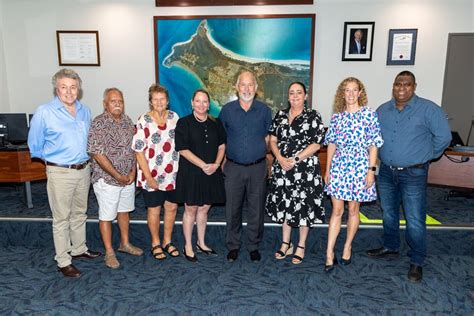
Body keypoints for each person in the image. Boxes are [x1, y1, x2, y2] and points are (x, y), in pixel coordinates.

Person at [366, 71, 451, 282]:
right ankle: (391, 246)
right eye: (397, 83)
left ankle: (416, 261)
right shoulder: (382, 110)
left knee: (414, 218)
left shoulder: (428, 109)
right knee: (388, 213)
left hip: (414, 173)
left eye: (406, 84)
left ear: (414, 86)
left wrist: (427, 156)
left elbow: (444, 137)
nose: (401, 87)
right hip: (385, 171)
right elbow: (374, 139)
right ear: (393, 86)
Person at [28, 69, 101, 278]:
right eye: (64, 87)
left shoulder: (85, 110)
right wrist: (54, 162)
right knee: (61, 218)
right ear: (56, 88)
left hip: (83, 169)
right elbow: (35, 144)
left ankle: (78, 249)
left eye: (73, 87)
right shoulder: (44, 111)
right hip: (60, 172)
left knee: (80, 213)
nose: (69, 91)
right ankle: (63, 260)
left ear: (78, 88)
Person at [323, 77, 383, 272]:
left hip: (360, 167)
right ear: (342, 93)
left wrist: (371, 171)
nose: (350, 94)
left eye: (354, 90)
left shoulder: (369, 115)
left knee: (353, 210)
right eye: (346, 90)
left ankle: (347, 246)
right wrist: (327, 169)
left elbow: (373, 145)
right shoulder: (337, 117)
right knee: (336, 211)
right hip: (339, 166)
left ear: (359, 93)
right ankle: (329, 252)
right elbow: (331, 144)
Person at [265, 82, 325, 265]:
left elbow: (317, 144)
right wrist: (280, 158)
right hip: (282, 169)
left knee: (303, 206)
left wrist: (296, 159)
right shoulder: (281, 115)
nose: (295, 96)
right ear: (288, 96)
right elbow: (272, 140)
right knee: (286, 205)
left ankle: (301, 245)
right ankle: (286, 243)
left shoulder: (313, 116)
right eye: (292, 93)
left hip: (305, 170)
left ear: (305, 96)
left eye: (299, 92)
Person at [219, 70, 272, 262]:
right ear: (236, 87)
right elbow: (222, 137)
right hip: (233, 168)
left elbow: (269, 138)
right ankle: (233, 245)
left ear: (256, 88)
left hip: (258, 167)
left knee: (256, 209)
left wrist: (265, 157)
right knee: (232, 208)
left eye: (251, 85)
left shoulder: (265, 111)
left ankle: (253, 245)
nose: (247, 88)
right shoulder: (227, 111)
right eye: (243, 84)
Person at [88, 88, 143, 269]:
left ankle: (124, 244)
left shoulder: (128, 121)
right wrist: (116, 175)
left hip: (127, 178)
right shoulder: (99, 123)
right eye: (113, 101)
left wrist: (133, 173)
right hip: (107, 179)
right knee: (107, 215)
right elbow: (97, 154)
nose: (118, 104)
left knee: (124, 210)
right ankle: (109, 252)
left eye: (120, 101)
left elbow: (134, 149)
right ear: (105, 104)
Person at [175, 89, 226, 262]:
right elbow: (182, 149)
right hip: (191, 173)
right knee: (191, 209)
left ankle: (201, 243)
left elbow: (221, 146)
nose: (201, 104)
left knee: (204, 208)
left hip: (211, 171)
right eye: (198, 101)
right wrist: (203, 165)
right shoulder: (183, 123)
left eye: (205, 101)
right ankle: (188, 245)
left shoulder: (216, 123)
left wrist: (217, 165)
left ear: (209, 104)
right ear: (192, 103)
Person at [132, 84, 180, 261]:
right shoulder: (143, 120)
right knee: (154, 210)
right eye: (155, 99)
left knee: (172, 207)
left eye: (162, 99)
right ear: (151, 102)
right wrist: (149, 177)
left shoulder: (175, 117)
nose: (159, 102)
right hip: (150, 174)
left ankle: (167, 241)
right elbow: (138, 151)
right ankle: (155, 243)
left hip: (172, 174)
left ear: (167, 101)